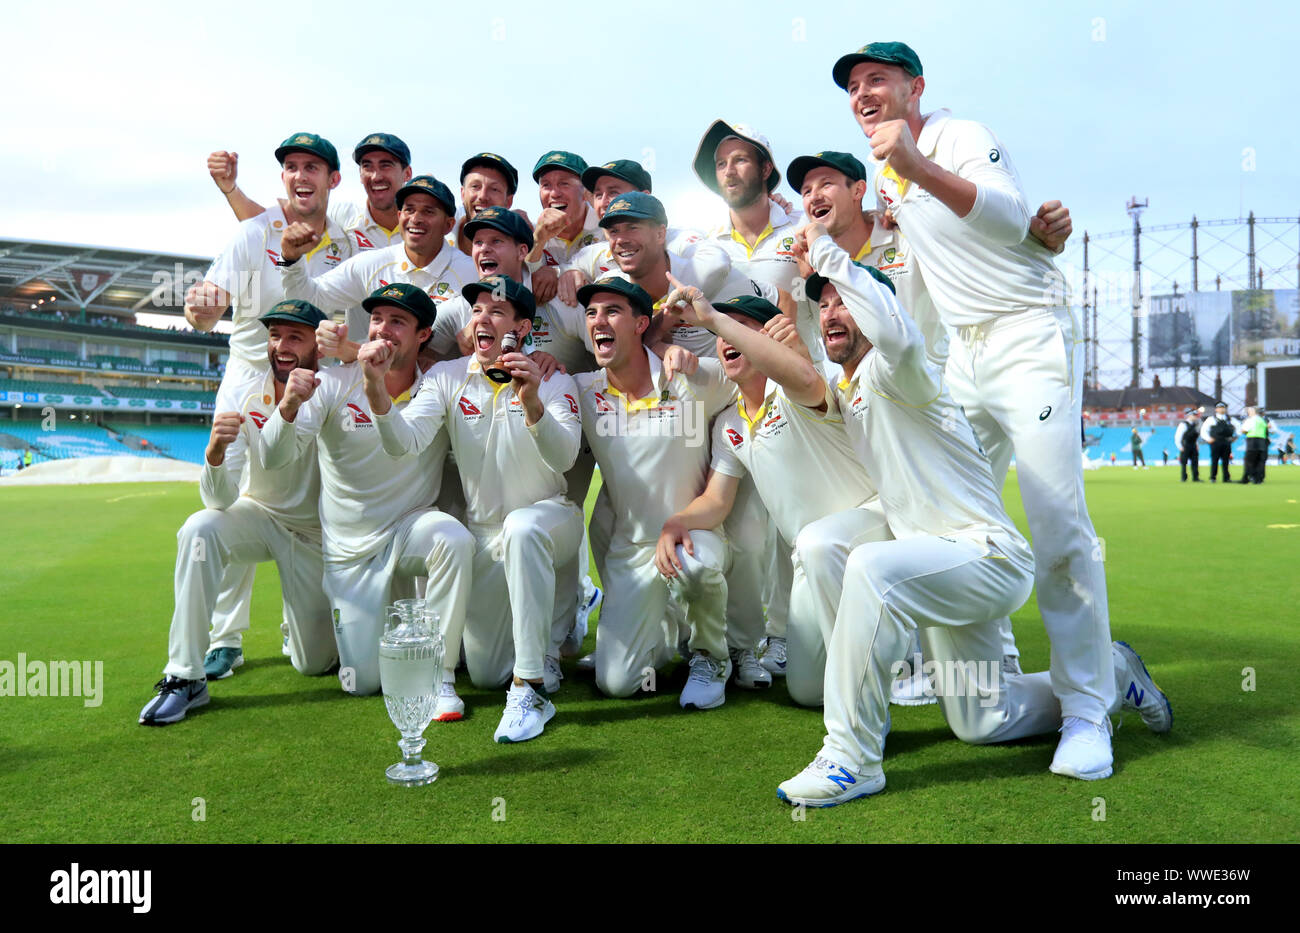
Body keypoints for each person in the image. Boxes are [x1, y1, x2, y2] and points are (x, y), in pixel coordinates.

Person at [774, 225, 1172, 806]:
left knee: (870, 569)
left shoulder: (902, 368)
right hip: (934, 566)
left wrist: (837, 259)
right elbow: (796, 371)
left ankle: (851, 759)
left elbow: (898, 334)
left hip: (986, 557)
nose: (831, 311)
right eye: (824, 303)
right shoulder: (847, 389)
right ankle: (1112, 674)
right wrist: (725, 318)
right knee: (984, 718)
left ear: (875, 307)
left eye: (844, 300)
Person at [833, 41, 1122, 775]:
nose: (864, 93)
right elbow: (940, 259)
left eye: (878, 80)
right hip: (962, 354)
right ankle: (995, 676)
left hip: (1029, 335)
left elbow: (1005, 218)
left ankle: (1089, 710)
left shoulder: (960, 137)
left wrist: (919, 168)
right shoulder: (886, 171)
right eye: (854, 86)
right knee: (950, 518)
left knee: (1058, 526)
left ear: (914, 87)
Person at [367, 275, 582, 742]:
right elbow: (405, 442)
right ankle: (548, 630)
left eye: (498, 312)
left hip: (552, 517)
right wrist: (376, 392)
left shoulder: (553, 377)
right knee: (485, 675)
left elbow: (565, 457)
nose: (483, 319)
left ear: (521, 327)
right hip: (487, 532)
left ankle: (532, 688)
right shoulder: (447, 377)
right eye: (477, 310)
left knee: (525, 528)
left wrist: (531, 403)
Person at [653, 287, 890, 707]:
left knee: (823, 550)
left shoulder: (799, 388)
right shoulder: (730, 422)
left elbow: (799, 375)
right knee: (807, 692)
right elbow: (717, 500)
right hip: (811, 557)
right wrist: (676, 523)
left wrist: (715, 320)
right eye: (724, 332)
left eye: (743, 330)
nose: (727, 340)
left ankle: (884, 664)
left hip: (866, 537)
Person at [185, 132, 354, 678]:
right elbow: (206, 311)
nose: (301, 176)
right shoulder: (252, 234)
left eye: (313, 167)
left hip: (316, 379)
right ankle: (226, 636)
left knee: (312, 491)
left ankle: (307, 612)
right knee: (235, 500)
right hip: (249, 375)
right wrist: (200, 312)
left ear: (332, 179)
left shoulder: (346, 244)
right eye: (291, 167)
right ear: (282, 177)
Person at [260, 284, 474, 713]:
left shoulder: (435, 386)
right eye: (377, 319)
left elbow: (402, 444)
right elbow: (272, 456)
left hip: (409, 528)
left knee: (452, 537)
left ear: (424, 336)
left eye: (398, 322)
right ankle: (352, 630)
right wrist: (286, 408)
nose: (384, 330)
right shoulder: (333, 383)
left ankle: (441, 676)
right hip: (350, 550)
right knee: (362, 683)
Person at [139, 301, 337, 725]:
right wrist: (212, 456)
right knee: (200, 528)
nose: (282, 347)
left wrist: (290, 406)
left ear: (317, 347)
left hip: (316, 535)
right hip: (259, 515)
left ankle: (304, 629)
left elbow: (282, 451)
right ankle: (185, 676)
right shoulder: (241, 390)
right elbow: (219, 501)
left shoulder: (336, 387)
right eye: (274, 335)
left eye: (295, 337)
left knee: (315, 664)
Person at [574, 276, 736, 706]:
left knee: (694, 566)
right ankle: (666, 631)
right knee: (617, 683)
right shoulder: (583, 391)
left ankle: (710, 656)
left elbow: (751, 376)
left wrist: (726, 451)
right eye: (591, 312)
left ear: (642, 323)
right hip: (631, 551)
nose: (598, 321)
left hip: (693, 534)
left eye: (612, 311)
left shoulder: (689, 375)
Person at [277, 175, 477, 356]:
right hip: (368, 387)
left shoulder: (472, 274)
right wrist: (290, 260)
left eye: (428, 211)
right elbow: (307, 299)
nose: (416, 219)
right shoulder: (371, 264)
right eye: (409, 209)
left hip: (442, 392)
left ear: (448, 225)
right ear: (399, 217)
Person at [208, 133, 413, 252]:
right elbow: (263, 221)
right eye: (367, 166)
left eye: (386, 165)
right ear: (360, 175)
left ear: (407, 173)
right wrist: (230, 189)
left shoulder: (430, 229)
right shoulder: (343, 217)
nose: (375, 176)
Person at [1200, 401, 1237, 482]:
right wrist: (1208, 439)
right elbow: (1203, 431)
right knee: (1214, 460)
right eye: (1219, 408)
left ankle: (1226, 478)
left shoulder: (1230, 419)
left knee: (1226, 461)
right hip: (1215, 442)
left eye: (1223, 408)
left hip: (1226, 442)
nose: (1221, 409)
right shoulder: (1211, 419)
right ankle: (1213, 477)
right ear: (1216, 409)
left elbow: (1239, 427)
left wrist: (1235, 437)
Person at [1239, 406, 1275, 484]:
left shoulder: (1250, 420)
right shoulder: (1262, 420)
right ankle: (1258, 479)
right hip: (1262, 441)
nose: (1248, 413)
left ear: (1253, 412)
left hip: (1252, 441)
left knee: (1249, 460)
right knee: (1260, 461)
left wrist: (1243, 430)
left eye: (1249, 411)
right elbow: (1271, 429)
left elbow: (1244, 430)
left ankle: (1246, 478)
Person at [1175, 407, 1202, 482]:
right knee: (1184, 463)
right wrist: (1180, 446)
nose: (1196, 416)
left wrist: (1197, 445)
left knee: (1195, 462)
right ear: (1189, 415)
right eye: (1194, 415)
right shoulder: (1183, 424)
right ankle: (1184, 477)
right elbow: (1178, 436)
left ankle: (1195, 477)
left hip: (1193, 445)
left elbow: (1195, 437)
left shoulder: (1195, 425)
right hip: (1185, 445)